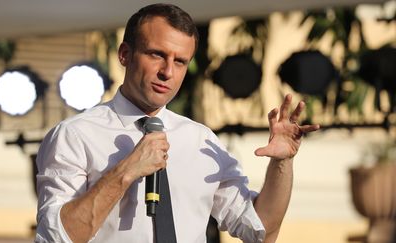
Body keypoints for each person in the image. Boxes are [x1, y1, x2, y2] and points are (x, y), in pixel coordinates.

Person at [35, 3, 320, 243]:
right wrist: (126, 171)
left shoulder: (200, 139)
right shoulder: (75, 135)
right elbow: (57, 237)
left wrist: (282, 163)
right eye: (156, 54)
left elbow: (262, 231)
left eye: (180, 61)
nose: (167, 72)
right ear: (125, 54)